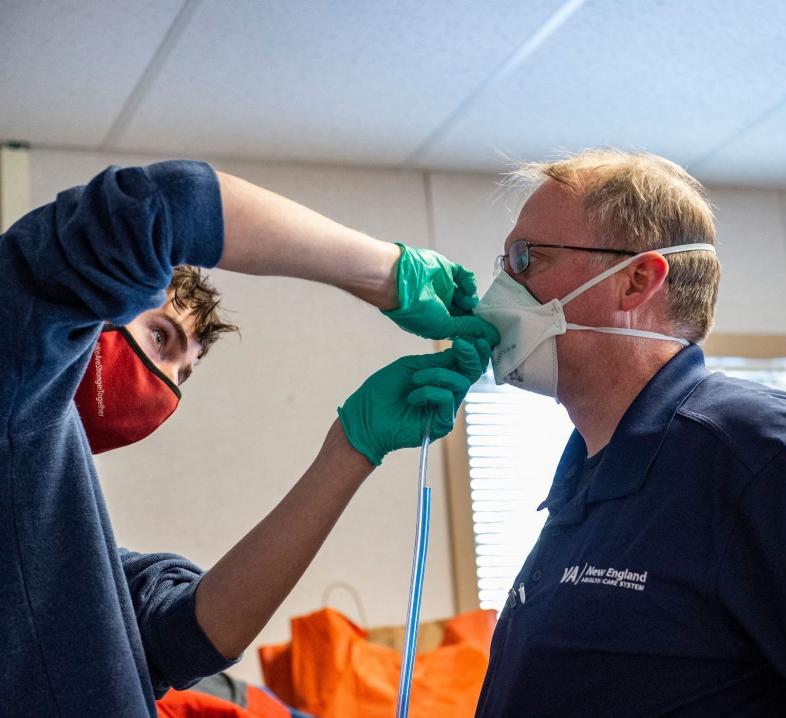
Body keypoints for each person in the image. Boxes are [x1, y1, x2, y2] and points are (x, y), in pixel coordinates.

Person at [470, 149, 786, 717]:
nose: (499, 291)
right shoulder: (587, 477)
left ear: (636, 282)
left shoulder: (754, 448)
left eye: (527, 259)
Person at [0, 160, 498, 717]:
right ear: (99, 314)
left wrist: (352, 448)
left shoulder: (53, 528)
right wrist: (386, 273)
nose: (163, 384)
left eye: (183, 375)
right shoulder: (14, 367)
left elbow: (196, 633)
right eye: (160, 337)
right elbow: (164, 206)